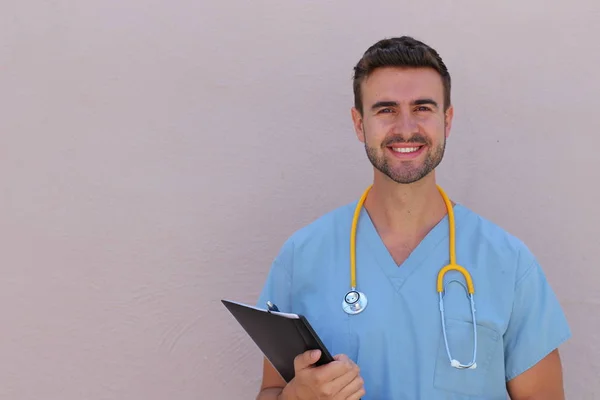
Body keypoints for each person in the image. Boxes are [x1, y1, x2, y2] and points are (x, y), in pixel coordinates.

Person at [254, 36, 571, 400]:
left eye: (422, 108)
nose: (406, 128)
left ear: (447, 120)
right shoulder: (301, 257)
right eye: (386, 109)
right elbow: (272, 391)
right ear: (359, 124)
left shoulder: (509, 264)